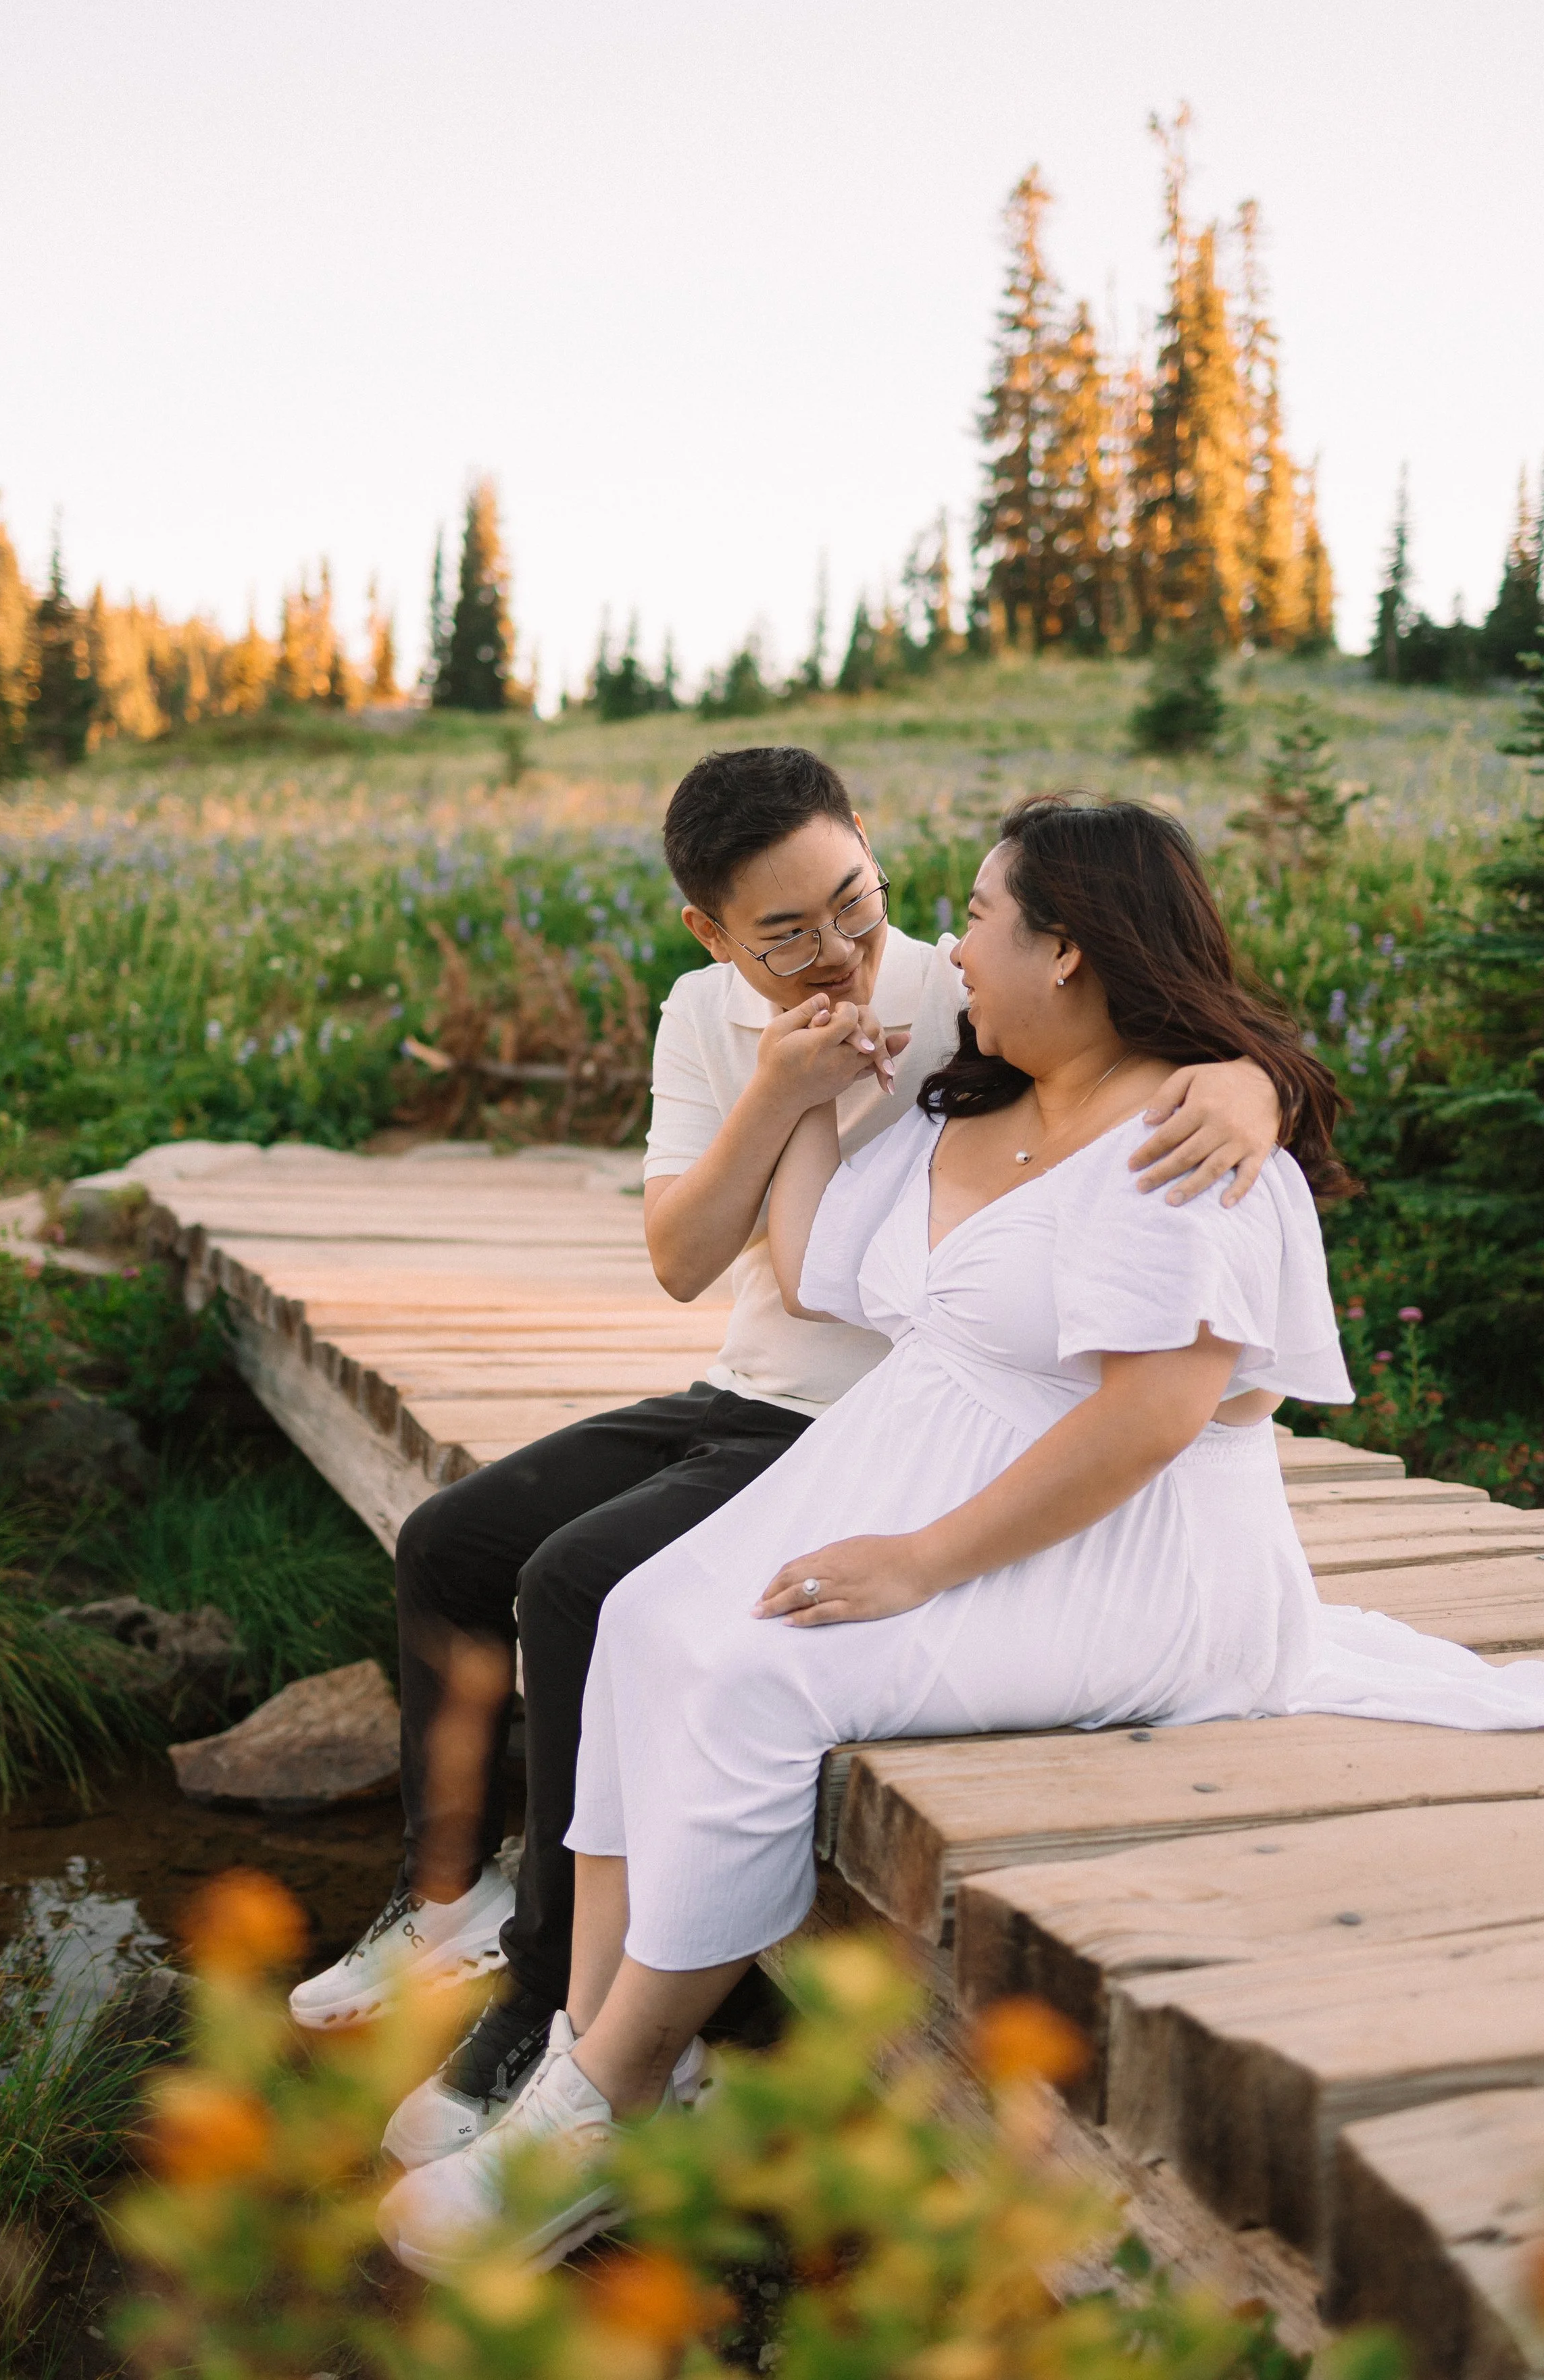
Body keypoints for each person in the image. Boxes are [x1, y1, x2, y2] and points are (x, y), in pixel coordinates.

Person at [377, 793, 1544, 2277]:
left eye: (984, 921)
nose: (950, 948)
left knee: (758, 1678)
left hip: (1135, 1563)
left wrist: (922, 1560)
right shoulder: (986, 1100)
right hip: (928, 1484)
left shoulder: (1182, 1143)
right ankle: (601, 2054)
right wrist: (798, 1093)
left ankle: (608, 2095)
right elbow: (814, 1271)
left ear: (1065, 953)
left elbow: (1152, 1416)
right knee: (638, 1621)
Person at [289, 751, 1285, 2162]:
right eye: (786, 933)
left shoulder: (969, 984)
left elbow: (1147, 1033)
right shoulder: (703, 1017)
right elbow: (687, 1260)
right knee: (452, 1542)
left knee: (582, 1589)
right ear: (710, 936)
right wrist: (781, 1085)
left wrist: (1248, 1082)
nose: (841, 948)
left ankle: (552, 1992)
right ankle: (444, 1899)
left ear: (874, 854)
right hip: (749, 1381)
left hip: (879, 1423)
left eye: (856, 902)